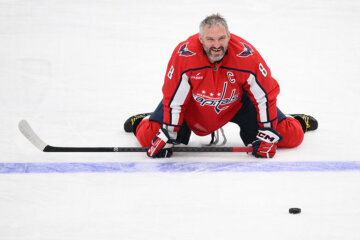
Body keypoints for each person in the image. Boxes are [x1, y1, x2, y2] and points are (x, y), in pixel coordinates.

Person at [124, 14, 318, 158]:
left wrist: (267, 132)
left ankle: (296, 121)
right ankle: (143, 121)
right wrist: (169, 132)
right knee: (148, 137)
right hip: (192, 105)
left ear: (229, 36)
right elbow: (173, 97)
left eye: (221, 38)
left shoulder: (246, 55)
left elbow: (265, 94)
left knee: (291, 136)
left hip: (237, 104)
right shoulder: (184, 56)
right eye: (210, 39)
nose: (216, 45)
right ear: (201, 39)